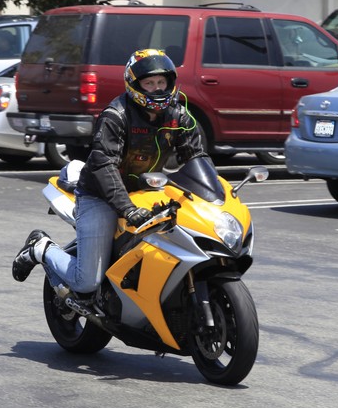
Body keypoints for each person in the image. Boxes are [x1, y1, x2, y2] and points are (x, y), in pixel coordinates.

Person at [11, 49, 206, 305]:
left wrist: (213, 196)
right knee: (86, 281)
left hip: (146, 192)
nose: (157, 88)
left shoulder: (179, 116)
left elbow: (197, 157)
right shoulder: (116, 116)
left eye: (161, 82)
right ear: (135, 85)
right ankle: (41, 248)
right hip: (100, 195)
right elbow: (104, 165)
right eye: (149, 83)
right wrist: (128, 209)